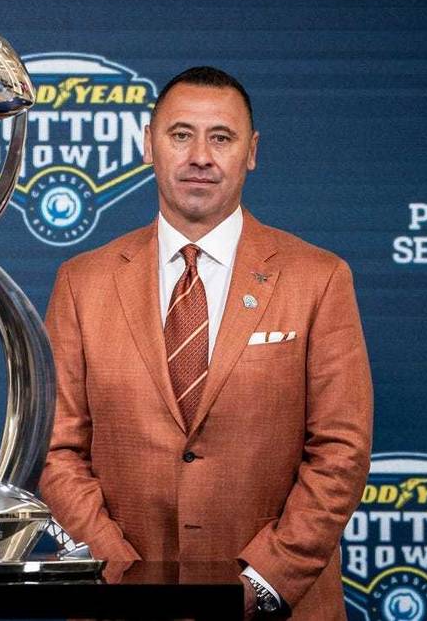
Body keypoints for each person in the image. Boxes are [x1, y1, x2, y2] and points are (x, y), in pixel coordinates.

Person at [39, 66, 372, 619]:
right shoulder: (82, 281)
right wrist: (119, 571)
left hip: (278, 606)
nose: (200, 156)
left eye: (221, 137)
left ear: (252, 151)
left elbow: (341, 450)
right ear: (149, 145)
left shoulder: (319, 278)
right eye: (180, 134)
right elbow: (54, 449)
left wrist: (267, 580)